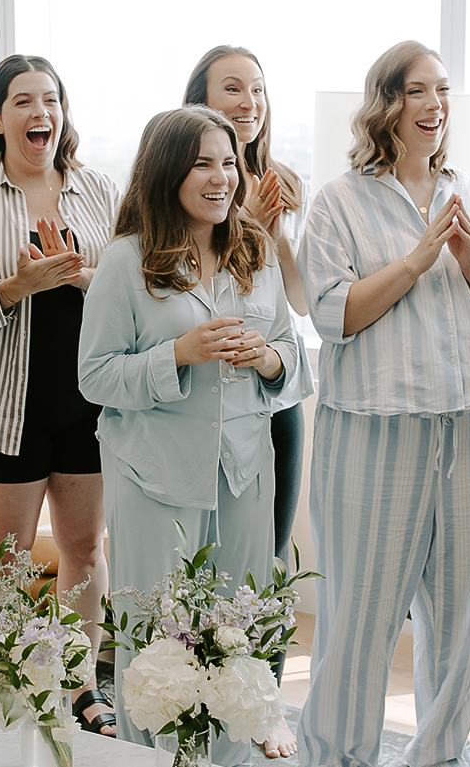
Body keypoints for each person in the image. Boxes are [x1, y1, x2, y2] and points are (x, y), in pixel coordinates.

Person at [294, 41, 470, 767]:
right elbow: (331, 315)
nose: (436, 104)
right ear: (387, 104)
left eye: (444, 90)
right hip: (376, 433)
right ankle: (337, 756)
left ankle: (438, 755)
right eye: (419, 90)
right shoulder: (339, 201)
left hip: (469, 427)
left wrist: (467, 259)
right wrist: (416, 258)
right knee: (360, 617)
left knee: (464, 622)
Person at [79, 105, 299, 767]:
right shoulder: (125, 261)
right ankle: (156, 759)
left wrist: (266, 357)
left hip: (243, 470)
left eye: (229, 161)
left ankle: (227, 758)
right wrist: (176, 352)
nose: (221, 176)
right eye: (203, 162)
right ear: (166, 170)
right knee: (159, 646)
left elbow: (293, 355)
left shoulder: (253, 251)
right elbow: (94, 375)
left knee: (238, 635)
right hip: (155, 477)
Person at [0, 55, 119, 735]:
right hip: (3, 407)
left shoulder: (98, 189)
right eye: (24, 101)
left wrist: (75, 275)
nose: (41, 113)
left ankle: (81, 681)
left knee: (85, 548)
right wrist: (19, 287)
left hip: (89, 402)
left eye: (51, 100)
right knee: (3, 558)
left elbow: (132, 287)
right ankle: (6, 681)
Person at [183, 45, 314, 760]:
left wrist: (275, 231)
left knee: (264, 558)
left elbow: (297, 300)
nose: (248, 101)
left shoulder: (280, 181)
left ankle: (260, 701)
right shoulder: (192, 181)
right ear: (200, 97)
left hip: (273, 392)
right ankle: (194, 688)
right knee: (200, 560)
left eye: (258, 88)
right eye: (232, 87)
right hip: (203, 400)